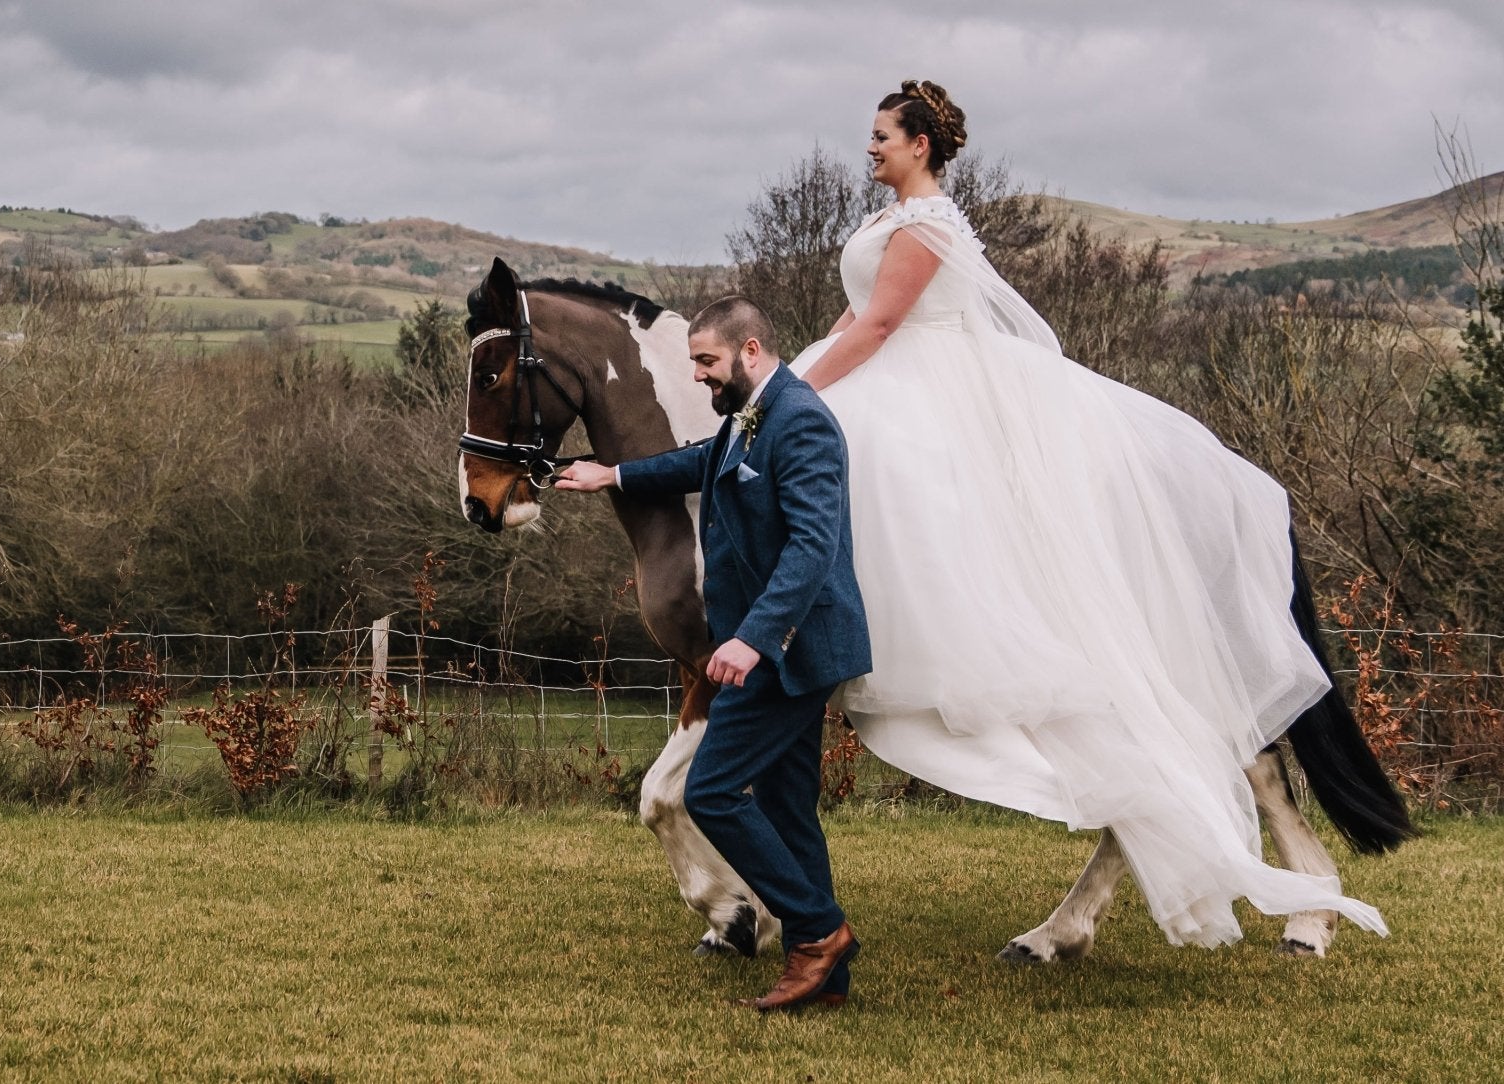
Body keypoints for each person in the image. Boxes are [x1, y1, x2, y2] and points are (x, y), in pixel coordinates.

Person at [788, 79, 1385, 947]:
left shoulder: (925, 226)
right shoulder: (884, 223)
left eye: (881, 135)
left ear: (921, 145)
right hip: (887, 376)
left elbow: (880, 328)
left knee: (919, 505)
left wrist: (790, 403)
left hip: (935, 393)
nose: (868, 146)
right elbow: (850, 318)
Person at [554, 297, 873, 1011]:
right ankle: (826, 974)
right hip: (776, 649)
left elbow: (813, 548)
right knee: (790, 810)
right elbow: (706, 461)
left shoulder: (803, 421)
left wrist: (753, 638)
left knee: (712, 791)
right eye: (694, 361)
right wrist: (613, 476)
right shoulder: (750, 416)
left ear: (750, 349)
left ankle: (820, 933)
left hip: (791, 649)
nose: (697, 375)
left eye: (706, 361)